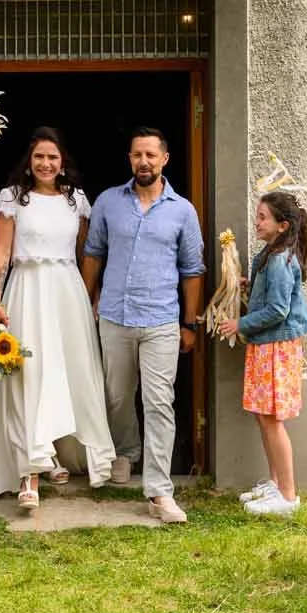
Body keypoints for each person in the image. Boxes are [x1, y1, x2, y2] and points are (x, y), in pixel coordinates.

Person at [0, 127, 114, 504]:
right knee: (29, 373)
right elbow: (1, 252)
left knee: (69, 371)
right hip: (27, 288)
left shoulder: (76, 200)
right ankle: (30, 471)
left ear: (62, 161)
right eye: (39, 156)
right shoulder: (12, 199)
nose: (46, 163)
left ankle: (57, 451)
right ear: (29, 160)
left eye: (52, 157)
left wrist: (90, 296)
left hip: (68, 291)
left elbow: (88, 252)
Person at [82, 126, 206, 524]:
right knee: (117, 396)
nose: (144, 162)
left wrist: (190, 323)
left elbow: (192, 270)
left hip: (161, 319)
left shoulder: (182, 210)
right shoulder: (108, 202)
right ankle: (126, 452)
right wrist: (85, 303)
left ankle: (159, 491)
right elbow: (93, 254)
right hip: (115, 316)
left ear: (164, 159)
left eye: (151, 155)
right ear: (130, 159)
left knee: (158, 403)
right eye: (137, 155)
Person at [216, 191, 307, 516]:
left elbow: (278, 309)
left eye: (262, 218)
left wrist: (239, 323)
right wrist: (249, 286)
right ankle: (275, 484)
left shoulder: (280, 260)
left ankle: (287, 496)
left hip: (276, 346)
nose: (256, 222)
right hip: (266, 344)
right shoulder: (271, 254)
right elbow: (269, 296)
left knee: (272, 419)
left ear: (282, 225)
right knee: (264, 416)